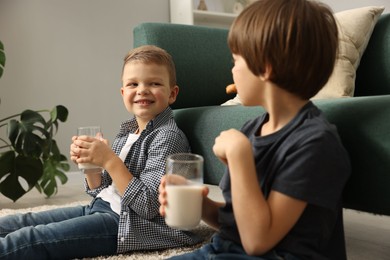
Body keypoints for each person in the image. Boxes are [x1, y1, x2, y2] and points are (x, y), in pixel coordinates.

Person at [159, 0, 351, 259]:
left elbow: (257, 241)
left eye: (236, 60)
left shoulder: (315, 144)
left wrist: (240, 156)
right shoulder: (252, 129)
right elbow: (240, 221)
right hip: (224, 249)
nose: (232, 70)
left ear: (266, 67)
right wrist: (201, 205)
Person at [0, 45, 201, 259]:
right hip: (102, 207)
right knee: (24, 221)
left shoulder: (167, 137)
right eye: (133, 84)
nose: (142, 89)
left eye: (154, 83)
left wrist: (110, 160)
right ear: (123, 92)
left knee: (33, 238)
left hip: (127, 224)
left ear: (172, 94)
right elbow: (101, 191)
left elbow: (148, 205)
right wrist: (92, 167)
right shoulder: (127, 132)